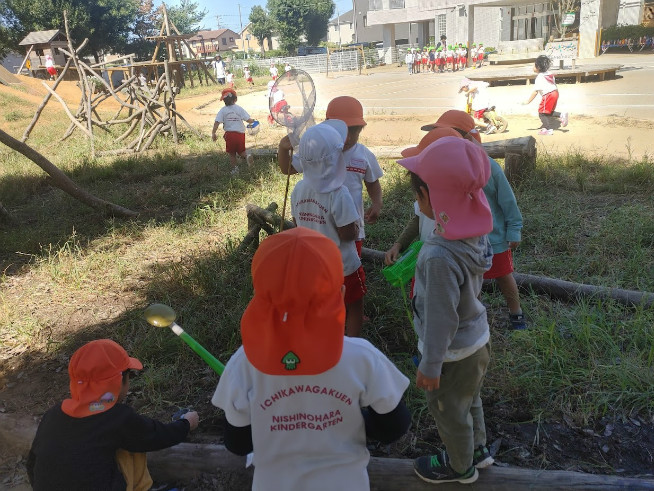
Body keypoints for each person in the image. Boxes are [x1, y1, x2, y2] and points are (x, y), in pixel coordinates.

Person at [212, 227, 411, 491]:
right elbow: (394, 427)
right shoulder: (362, 358)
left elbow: (238, 444)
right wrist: (354, 420)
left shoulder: (243, 363)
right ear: (340, 296)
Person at [397, 137, 494, 485]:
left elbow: (441, 317)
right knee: (470, 399)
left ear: (430, 197)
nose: (415, 200)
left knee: (448, 411)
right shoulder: (474, 230)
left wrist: (431, 364)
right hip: (476, 340)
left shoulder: (439, 256)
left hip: (450, 353)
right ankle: (478, 450)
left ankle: (460, 467)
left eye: (417, 194)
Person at [406, 110, 527, 330]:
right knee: (471, 283)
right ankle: (472, 316)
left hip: (495, 238)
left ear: (465, 137)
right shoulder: (443, 170)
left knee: (504, 276)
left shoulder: (489, 166)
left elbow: (508, 201)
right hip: (462, 238)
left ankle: (516, 312)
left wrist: (514, 229)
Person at [26, 339, 199, 491]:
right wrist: (186, 424)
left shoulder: (54, 414)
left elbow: (32, 464)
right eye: (129, 375)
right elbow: (156, 435)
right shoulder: (118, 418)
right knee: (133, 446)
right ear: (119, 381)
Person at [278, 97, 383, 337]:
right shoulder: (320, 151)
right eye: (344, 132)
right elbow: (287, 169)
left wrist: (376, 204)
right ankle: (343, 312)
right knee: (339, 273)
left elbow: (373, 182)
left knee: (345, 269)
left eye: (352, 132)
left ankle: (344, 306)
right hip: (336, 232)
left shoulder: (363, 154)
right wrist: (283, 148)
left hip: (348, 228)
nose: (347, 139)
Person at [212, 88, 256, 174]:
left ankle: (235, 169)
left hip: (230, 135)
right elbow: (248, 119)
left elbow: (217, 122)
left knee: (232, 154)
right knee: (241, 151)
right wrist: (253, 121)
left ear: (224, 100)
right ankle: (247, 156)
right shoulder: (239, 108)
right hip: (240, 134)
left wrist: (213, 132)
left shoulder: (223, 110)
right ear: (235, 99)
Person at [523, 55, 569, 135]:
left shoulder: (539, 77)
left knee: (541, 113)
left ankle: (548, 129)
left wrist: (528, 101)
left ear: (538, 68)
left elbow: (535, 92)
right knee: (548, 112)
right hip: (555, 92)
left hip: (548, 95)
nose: (532, 67)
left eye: (534, 65)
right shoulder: (549, 74)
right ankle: (561, 115)